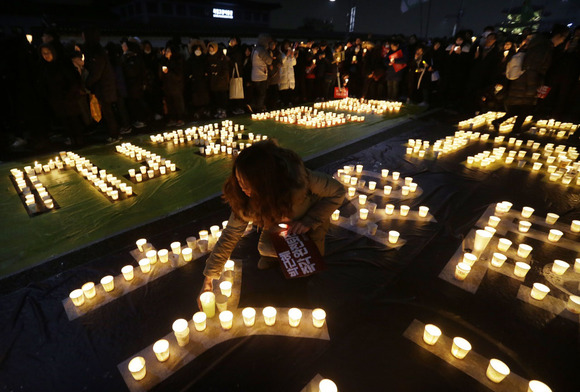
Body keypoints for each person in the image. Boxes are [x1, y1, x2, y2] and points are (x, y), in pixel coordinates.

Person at [198, 140, 346, 297]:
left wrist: (309, 221)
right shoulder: (244, 197)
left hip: (307, 221)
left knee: (307, 265)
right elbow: (230, 234)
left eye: (248, 184)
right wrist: (209, 278)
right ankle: (277, 257)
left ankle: (296, 250)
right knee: (265, 248)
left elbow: (337, 191)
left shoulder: (301, 179)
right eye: (239, 181)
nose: (243, 188)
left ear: (266, 183)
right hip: (280, 224)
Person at [492, 25, 569, 133]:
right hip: (528, 81)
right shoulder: (543, 47)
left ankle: (502, 123)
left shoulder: (542, 45)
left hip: (526, 80)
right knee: (527, 106)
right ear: (558, 36)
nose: (562, 41)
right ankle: (515, 130)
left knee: (521, 107)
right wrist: (533, 85)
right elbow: (532, 66)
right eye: (563, 38)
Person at [250, 34, 273, 112]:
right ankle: (258, 108)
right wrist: (270, 56)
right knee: (261, 94)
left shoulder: (255, 49)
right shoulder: (261, 50)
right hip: (261, 75)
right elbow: (269, 61)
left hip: (254, 74)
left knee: (257, 93)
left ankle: (254, 106)